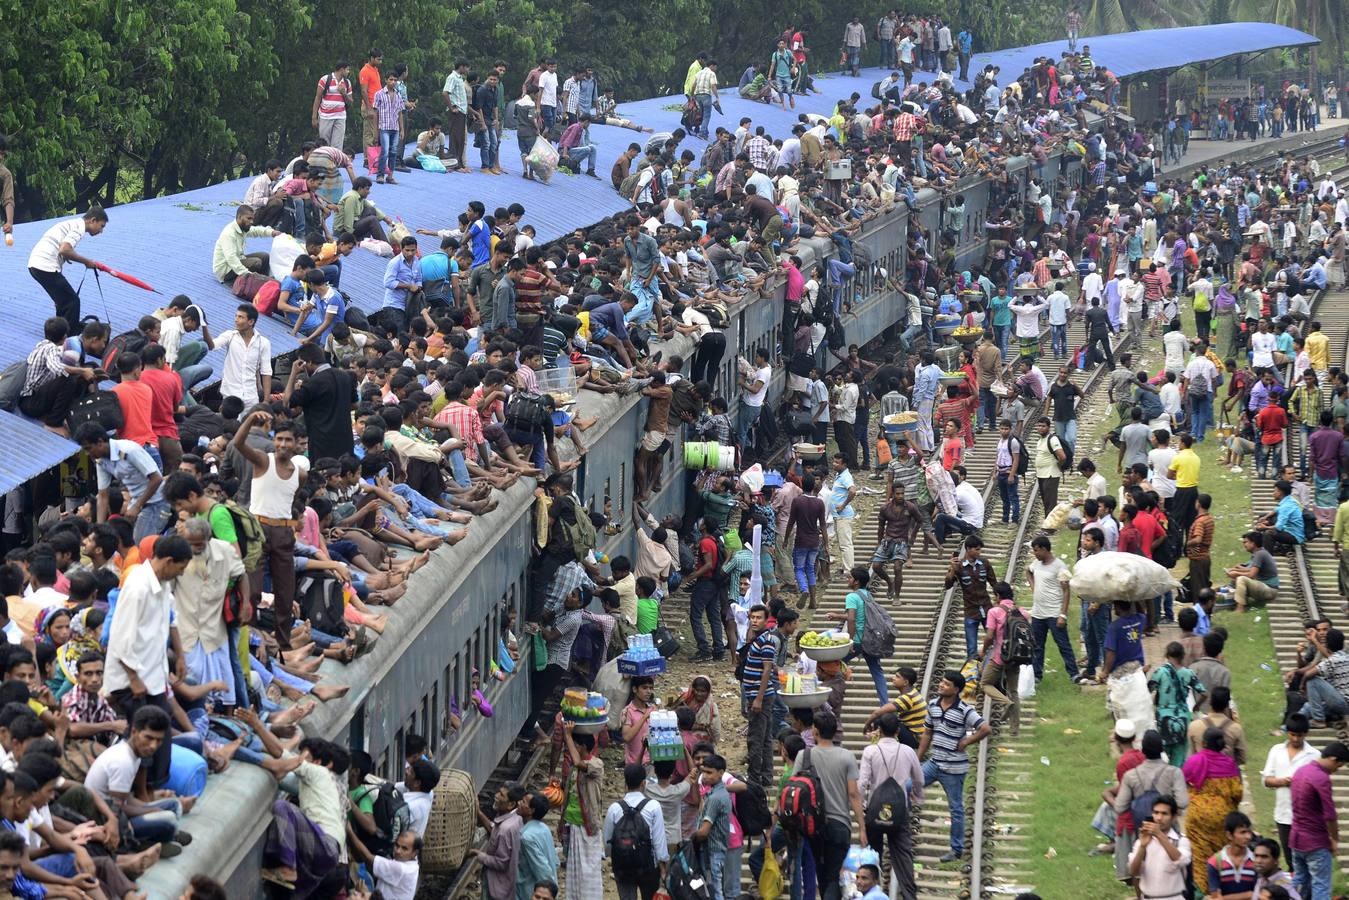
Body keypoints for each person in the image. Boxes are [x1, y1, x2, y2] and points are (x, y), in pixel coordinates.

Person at [235, 410, 310, 650]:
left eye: (288, 440)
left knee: (285, 593)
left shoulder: (300, 474)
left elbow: (292, 502)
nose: (283, 444)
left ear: (297, 445)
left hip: (283, 533)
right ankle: (252, 640)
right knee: (253, 589)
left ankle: (283, 645)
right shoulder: (263, 460)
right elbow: (238, 442)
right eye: (279, 439)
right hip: (257, 530)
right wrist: (249, 420)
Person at [84, 704, 194, 850]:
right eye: (148, 738)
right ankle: (147, 842)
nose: (153, 746)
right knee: (167, 819)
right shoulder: (123, 761)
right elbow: (117, 811)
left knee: (173, 805)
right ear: (134, 732)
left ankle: (164, 836)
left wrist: (150, 809)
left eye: (159, 740)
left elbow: (127, 798)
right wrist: (152, 811)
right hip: (104, 818)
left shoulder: (134, 755)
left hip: (117, 809)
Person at [917, 670, 991, 863]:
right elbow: (927, 733)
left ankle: (956, 849)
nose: (941, 685)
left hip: (954, 769)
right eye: (942, 682)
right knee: (906, 786)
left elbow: (985, 728)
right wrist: (917, 758)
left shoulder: (964, 710)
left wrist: (967, 741)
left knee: (956, 809)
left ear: (956, 690)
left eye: (947, 684)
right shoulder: (933, 705)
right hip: (934, 763)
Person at [796, 710, 866, 897]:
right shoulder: (847, 756)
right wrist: (862, 828)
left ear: (815, 731)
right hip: (840, 825)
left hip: (813, 825)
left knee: (821, 872)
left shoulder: (804, 756)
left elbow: (794, 788)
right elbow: (853, 794)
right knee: (834, 876)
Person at [858, 712, 922, 900]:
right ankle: (909, 895)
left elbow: (862, 783)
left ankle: (871, 893)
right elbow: (918, 779)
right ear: (897, 731)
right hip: (899, 811)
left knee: (872, 854)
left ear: (879, 730)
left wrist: (862, 806)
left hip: (875, 809)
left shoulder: (871, 751)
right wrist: (917, 797)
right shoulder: (908, 751)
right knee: (903, 854)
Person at [1183, 727, 1245, 890]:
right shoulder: (1230, 764)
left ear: (1203, 743)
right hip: (1223, 819)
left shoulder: (1194, 761)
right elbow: (1237, 793)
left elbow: (1184, 782)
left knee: (1200, 858)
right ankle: (1224, 890)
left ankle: (1206, 892)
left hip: (1198, 818)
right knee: (1222, 855)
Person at [27, 207, 108, 329]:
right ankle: (70, 334)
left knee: (63, 302)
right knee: (72, 302)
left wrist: (66, 256)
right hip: (45, 266)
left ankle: (60, 330)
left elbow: (63, 248)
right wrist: (87, 262)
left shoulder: (72, 223)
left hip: (35, 264)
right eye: (102, 226)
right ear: (93, 220)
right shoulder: (79, 228)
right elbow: (65, 249)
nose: (101, 231)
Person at [1289, 740, 1349, 900]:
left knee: (1299, 881)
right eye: (1338, 766)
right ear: (1333, 759)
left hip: (1296, 839)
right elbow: (1330, 815)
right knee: (1321, 887)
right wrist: (1335, 839)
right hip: (1316, 842)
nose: (1336, 771)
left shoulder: (1300, 772)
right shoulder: (1322, 778)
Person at [1262, 714, 1321, 871]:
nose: (1295, 739)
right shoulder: (1276, 751)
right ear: (1287, 733)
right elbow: (1266, 780)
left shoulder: (1314, 755)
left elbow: (1319, 786)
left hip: (1306, 817)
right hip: (1283, 814)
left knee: (1305, 859)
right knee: (1290, 859)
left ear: (1305, 734)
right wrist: (1283, 782)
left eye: (1299, 735)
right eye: (1292, 734)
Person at [603, 762, 667, 900]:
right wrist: (662, 865)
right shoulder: (653, 806)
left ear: (625, 784)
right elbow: (659, 841)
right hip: (648, 866)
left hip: (622, 866)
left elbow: (607, 842)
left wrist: (613, 856)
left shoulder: (614, 808)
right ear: (644, 783)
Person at [560, 722, 605, 900]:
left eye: (576, 745)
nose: (573, 749)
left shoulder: (596, 764)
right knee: (574, 872)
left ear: (583, 746)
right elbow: (569, 794)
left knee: (589, 872)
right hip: (573, 824)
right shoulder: (573, 769)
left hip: (588, 827)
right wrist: (561, 820)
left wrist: (568, 735)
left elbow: (579, 762)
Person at [1027, 535, 1078, 683]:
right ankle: (1037, 675)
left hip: (1054, 613)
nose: (1035, 554)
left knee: (1063, 644)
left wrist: (1063, 614)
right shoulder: (1036, 564)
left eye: (1036, 551)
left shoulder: (1059, 566)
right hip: (1038, 613)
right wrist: (1033, 586)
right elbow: (1028, 571)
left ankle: (1073, 673)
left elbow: (1066, 591)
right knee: (1037, 646)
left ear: (1044, 549)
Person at [978, 582, 1025, 736]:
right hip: (1017, 657)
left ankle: (1007, 703)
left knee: (985, 683)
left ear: (998, 596)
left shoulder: (994, 612)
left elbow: (989, 636)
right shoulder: (1022, 612)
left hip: (1000, 656)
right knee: (1014, 691)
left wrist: (983, 651)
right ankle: (1014, 730)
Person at [1127, 794, 1192, 900]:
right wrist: (1142, 847)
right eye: (1156, 813)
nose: (1159, 818)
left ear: (1174, 817)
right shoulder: (1142, 840)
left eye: (1164, 814)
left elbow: (1181, 861)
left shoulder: (1180, 840)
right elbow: (1133, 871)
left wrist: (1159, 835)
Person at [945, 534, 997, 660]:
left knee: (996, 642)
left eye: (980, 549)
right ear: (968, 549)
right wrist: (952, 569)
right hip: (971, 611)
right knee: (971, 648)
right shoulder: (959, 565)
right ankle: (971, 676)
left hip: (987, 608)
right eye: (977, 549)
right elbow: (947, 585)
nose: (979, 552)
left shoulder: (984, 563)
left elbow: (994, 584)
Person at [516, 794, 558, 900]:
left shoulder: (527, 838)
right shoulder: (544, 828)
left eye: (523, 802)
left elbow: (543, 871)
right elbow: (555, 861)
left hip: (532, 891)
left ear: (531, 810)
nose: (519, 803)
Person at [1226, 531, 1280, 613]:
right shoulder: (1259, 552)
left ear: (1253, 543)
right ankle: (1228, 598)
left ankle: (1240, 608)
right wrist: (1234, 570)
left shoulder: (1260, 554)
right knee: (1236, 580)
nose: (1244, 544)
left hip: (1270, 589)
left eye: (1246, 542)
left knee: (1241, 579)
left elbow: (1251, 574)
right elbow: (1250, 569)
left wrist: (1236, 573)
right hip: (1265, 587)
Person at [1033, 416, 1069, 510]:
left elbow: (1062, 456)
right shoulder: (1040, 440)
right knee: (1046, 502)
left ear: (1048, 427)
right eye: (1039, 426)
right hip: (1042, 475)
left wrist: (1059, 465)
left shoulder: (1052, 439)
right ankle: (1047, 522)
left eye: (1043, 426)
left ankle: (1049, 524)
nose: (1040, 428)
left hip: (1050, 475)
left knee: (1050, 503)